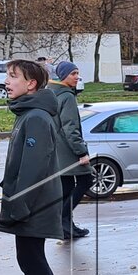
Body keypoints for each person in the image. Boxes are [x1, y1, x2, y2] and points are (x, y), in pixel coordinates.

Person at [0, 58, 72, 275]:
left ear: (31, 84)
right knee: (34, 256)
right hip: (33, 200)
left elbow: (34, 167)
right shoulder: (29, 113)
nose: (7, 81)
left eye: (13, 76)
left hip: (34, 202)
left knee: (29, 258)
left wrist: (19, 203)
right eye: (7, 75)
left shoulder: (37, 117)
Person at [49, 59, 92, 241]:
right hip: (68, 151)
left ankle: (67, 225)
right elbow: (70, 127)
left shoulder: (52, 93)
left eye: (77, 73)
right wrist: (81, 152)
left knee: (66, 187)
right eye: (73, 74)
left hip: (56, 149)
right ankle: (61, 220)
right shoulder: (66, 96)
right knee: (86, 181)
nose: (77, 77)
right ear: (63, 75)